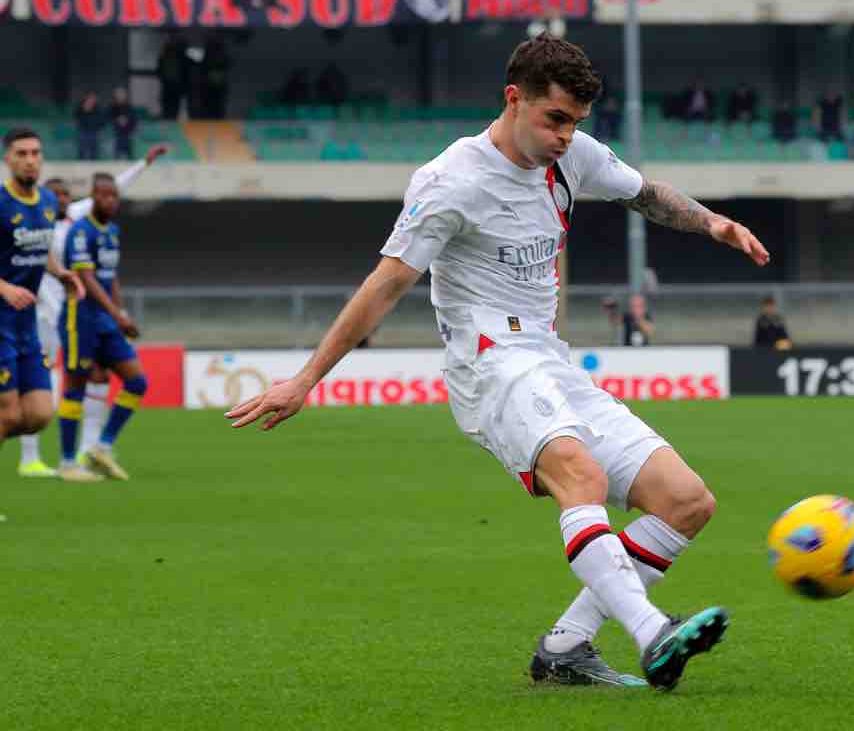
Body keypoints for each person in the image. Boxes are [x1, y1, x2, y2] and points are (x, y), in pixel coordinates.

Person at [226, 35, 770, 691]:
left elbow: (645, 193)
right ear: (514, 99)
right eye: (555, 119)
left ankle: (566, 647)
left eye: (576, 122)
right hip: (487, 361)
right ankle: (653, 635)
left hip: (548, 357)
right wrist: (306, 379)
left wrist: (714, 224)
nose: (566, 136)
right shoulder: (450, 181)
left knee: (686, 502)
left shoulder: (572, 156)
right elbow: (386, 284)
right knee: (581, 475)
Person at [17, 145, 169, 479]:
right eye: (55, 195)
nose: (61, 199)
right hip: (45, 316)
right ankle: (35, 458)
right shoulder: (38, 224)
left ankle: (93, 448)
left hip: (87, 314)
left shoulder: (83, 219)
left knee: (106, 379)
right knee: (41, 386)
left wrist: (144, 163)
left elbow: (114, 187)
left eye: (65, 195)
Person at [57, 172, 151, 482]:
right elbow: (86, 279)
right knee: (76, 386)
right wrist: (118, 316)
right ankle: (68, 463)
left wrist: (119, 312)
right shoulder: (80, 231)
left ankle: (102, 446)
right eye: (103, 195)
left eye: (114, 196)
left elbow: (111, 277)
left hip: (106, 320)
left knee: (137, 382)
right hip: (80, 318)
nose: (109, 201)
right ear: (93, 197)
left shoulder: (112, 231)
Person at [1, 129, 84, 482]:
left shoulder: (48, 202)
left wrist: (61, 273)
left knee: (38, 415)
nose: (30, 160)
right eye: (21, 153)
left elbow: (41, 247)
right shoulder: (1, 203)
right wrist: (4, 287)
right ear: (8, 159)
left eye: (35, 153)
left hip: (26, 326)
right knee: (8, 414)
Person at [157, 35, 189, 121]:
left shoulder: (176, 57)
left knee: (171, 110)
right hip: (171, 87)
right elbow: (160, 72)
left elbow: (159, 72)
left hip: (172, 88)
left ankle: (169, 120)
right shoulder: (167, 57)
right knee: (171, 110)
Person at [110, 87, 138, 160]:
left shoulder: (129, 107)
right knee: (116, 155)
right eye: (118, 94)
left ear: (125, 95)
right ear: (115, 95)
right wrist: (117, 121)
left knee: (130, 155)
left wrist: (126, 121)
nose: (120, 96)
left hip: (128, 134)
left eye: (122, 94)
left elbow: (134, 120)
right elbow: (109, 119)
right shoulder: (112, 107)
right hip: (116, 134)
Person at [76, 93, 104, 160]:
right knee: (82, 148)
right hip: (83, 131)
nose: (91, 100)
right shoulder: (80, 108)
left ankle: (94, 161)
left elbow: (101, 121)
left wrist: (98, 128)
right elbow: (77, 118)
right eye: (90, 98)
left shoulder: (98, 109)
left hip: (94, 132)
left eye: (93, 99)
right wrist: (84, 110)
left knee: (94, 150)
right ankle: (81, 161)